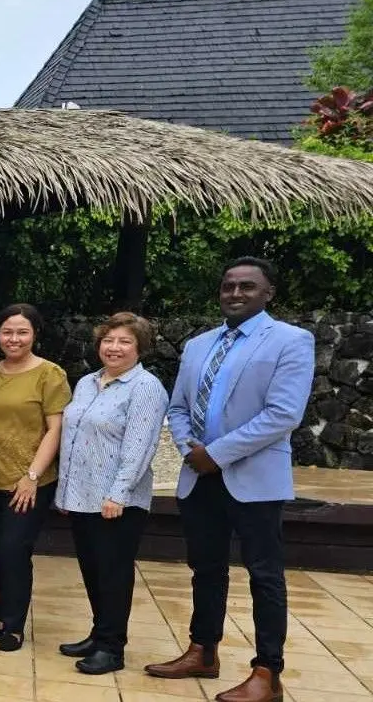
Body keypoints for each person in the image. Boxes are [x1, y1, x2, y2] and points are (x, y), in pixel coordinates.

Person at [146, 257, 313, 702]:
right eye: (228, 286)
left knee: (265, 575)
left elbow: (283, 414)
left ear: (268, 293)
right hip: (199, 477)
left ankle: (267, 672)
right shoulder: (199, 344)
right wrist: (190, 451)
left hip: (253, 478)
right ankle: (203, 650)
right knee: (206, 568)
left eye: (247, 287)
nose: (235, 294)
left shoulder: (291, 341)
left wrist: (216, 454)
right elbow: (178, 407)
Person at [56, 312, 169, 675]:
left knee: (113, 572)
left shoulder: (146, 388)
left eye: (124, 342)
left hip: (116, 501)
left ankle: (112, 647)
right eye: (108, 340)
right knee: (92, 568)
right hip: (82, 495)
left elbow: (140, 447)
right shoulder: (88, 382)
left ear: (140, 348)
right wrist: (65, 492)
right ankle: (99, 632)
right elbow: (72, 438)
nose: (114, 348)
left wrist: (118, 494)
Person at [0, 303, 69, 652]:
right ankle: (1, 617)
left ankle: (14, 624)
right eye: (7, 332)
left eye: (22, 332)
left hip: (29, 482)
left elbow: (55, 429)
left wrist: (31, 476)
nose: (14, 338)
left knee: (15, 549)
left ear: (35, 335)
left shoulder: (50, 374)